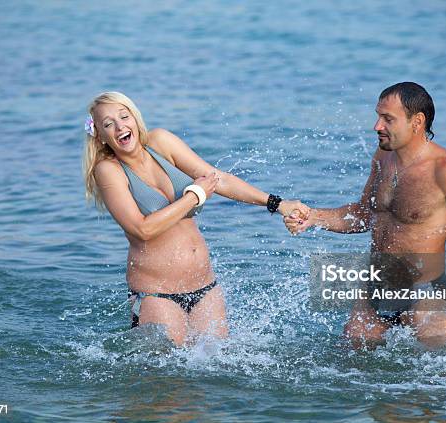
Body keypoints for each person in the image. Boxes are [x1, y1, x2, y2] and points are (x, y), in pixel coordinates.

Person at [284, 82, 446, 349]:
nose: (377, 126)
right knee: (349, 365)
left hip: (424, 294)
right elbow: (364, 214)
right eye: (378, 116)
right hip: (375, 288)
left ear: (417, 121)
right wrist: (314, 217)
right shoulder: (383, 156)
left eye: (388, 119)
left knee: (430, 381)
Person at [82, 91, 308, 346]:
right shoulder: (108, 170)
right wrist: (194, 196)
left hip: (205, 289)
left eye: (124, 116)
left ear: (135, 118)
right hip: (158, 295)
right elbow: (141, 229)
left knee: (216, 375)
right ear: (100, 136)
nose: (120, 126)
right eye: (109, 124)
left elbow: (217, 179)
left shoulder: (161, 142)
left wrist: (277, 204)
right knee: (168, 381)